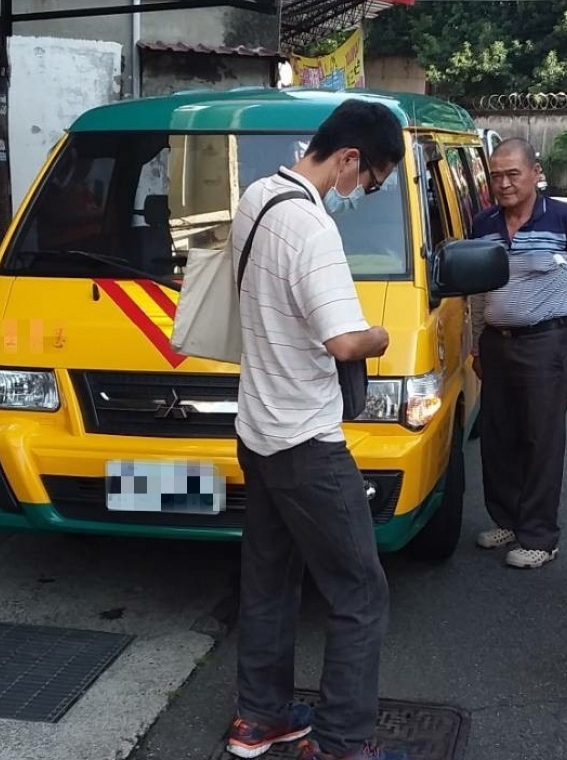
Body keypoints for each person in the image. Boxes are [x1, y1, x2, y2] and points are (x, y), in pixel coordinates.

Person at [226, 99, 408, 760]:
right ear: (350, 159)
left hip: (257, 430)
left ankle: (260, 717)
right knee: (361, 592)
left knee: (270, 580)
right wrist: (380, 334)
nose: (364, 192)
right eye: (372, 180)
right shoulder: (311, 228)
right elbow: (342, 339)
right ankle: (338, 743)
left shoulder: (257, 198)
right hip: (306, 442)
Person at [470, 138, 567, 569]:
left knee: (542, 438)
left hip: (549, 343)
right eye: (496, 176)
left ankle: (540, 536)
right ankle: (507, 519)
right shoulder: (483, 222)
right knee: (498, 434)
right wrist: (477, 341)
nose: (504, 184)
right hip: (497, 341)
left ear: (535, 173)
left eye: (513, 174)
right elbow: (475, 290)